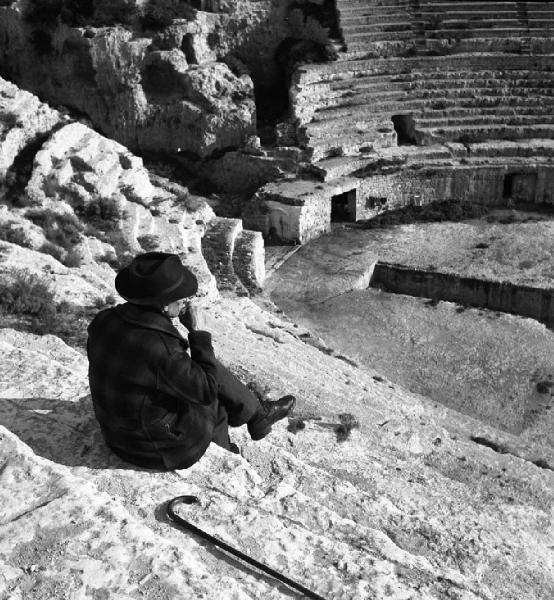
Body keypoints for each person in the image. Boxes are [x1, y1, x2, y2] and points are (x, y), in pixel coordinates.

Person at [87, 251, 295, 471]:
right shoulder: (162, 349)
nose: (184, 300)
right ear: (165, 306)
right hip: (152, 448)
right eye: (179, 296)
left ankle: (257, 415)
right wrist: (199, 334)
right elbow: (206, 391)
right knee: (215, 398)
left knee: (205, 377)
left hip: (116, 435)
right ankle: (230, 454)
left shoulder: (104, 319)